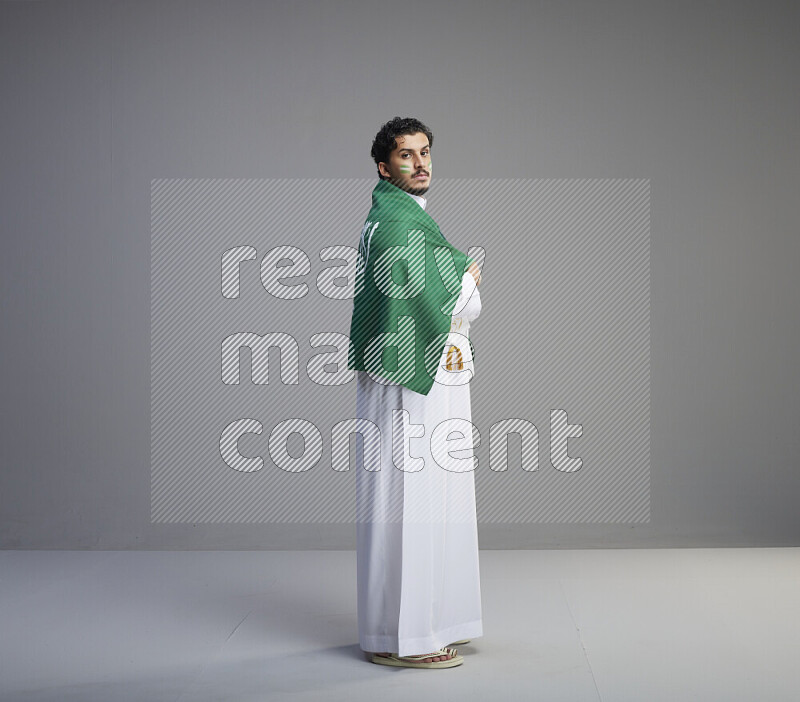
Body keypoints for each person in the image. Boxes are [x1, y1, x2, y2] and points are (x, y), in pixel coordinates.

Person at [348, 117, 484, 669]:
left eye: (425, 152)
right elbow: (454, 300)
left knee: (435, 498)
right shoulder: (396, 225)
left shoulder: (404, 220)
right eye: (406, 155)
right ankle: (400, 638)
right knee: (409, 501)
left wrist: (459, 277)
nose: (421, 163)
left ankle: (435, 619)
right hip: (408, 380)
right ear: (384, 167)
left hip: (429, 372)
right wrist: (469, 276)